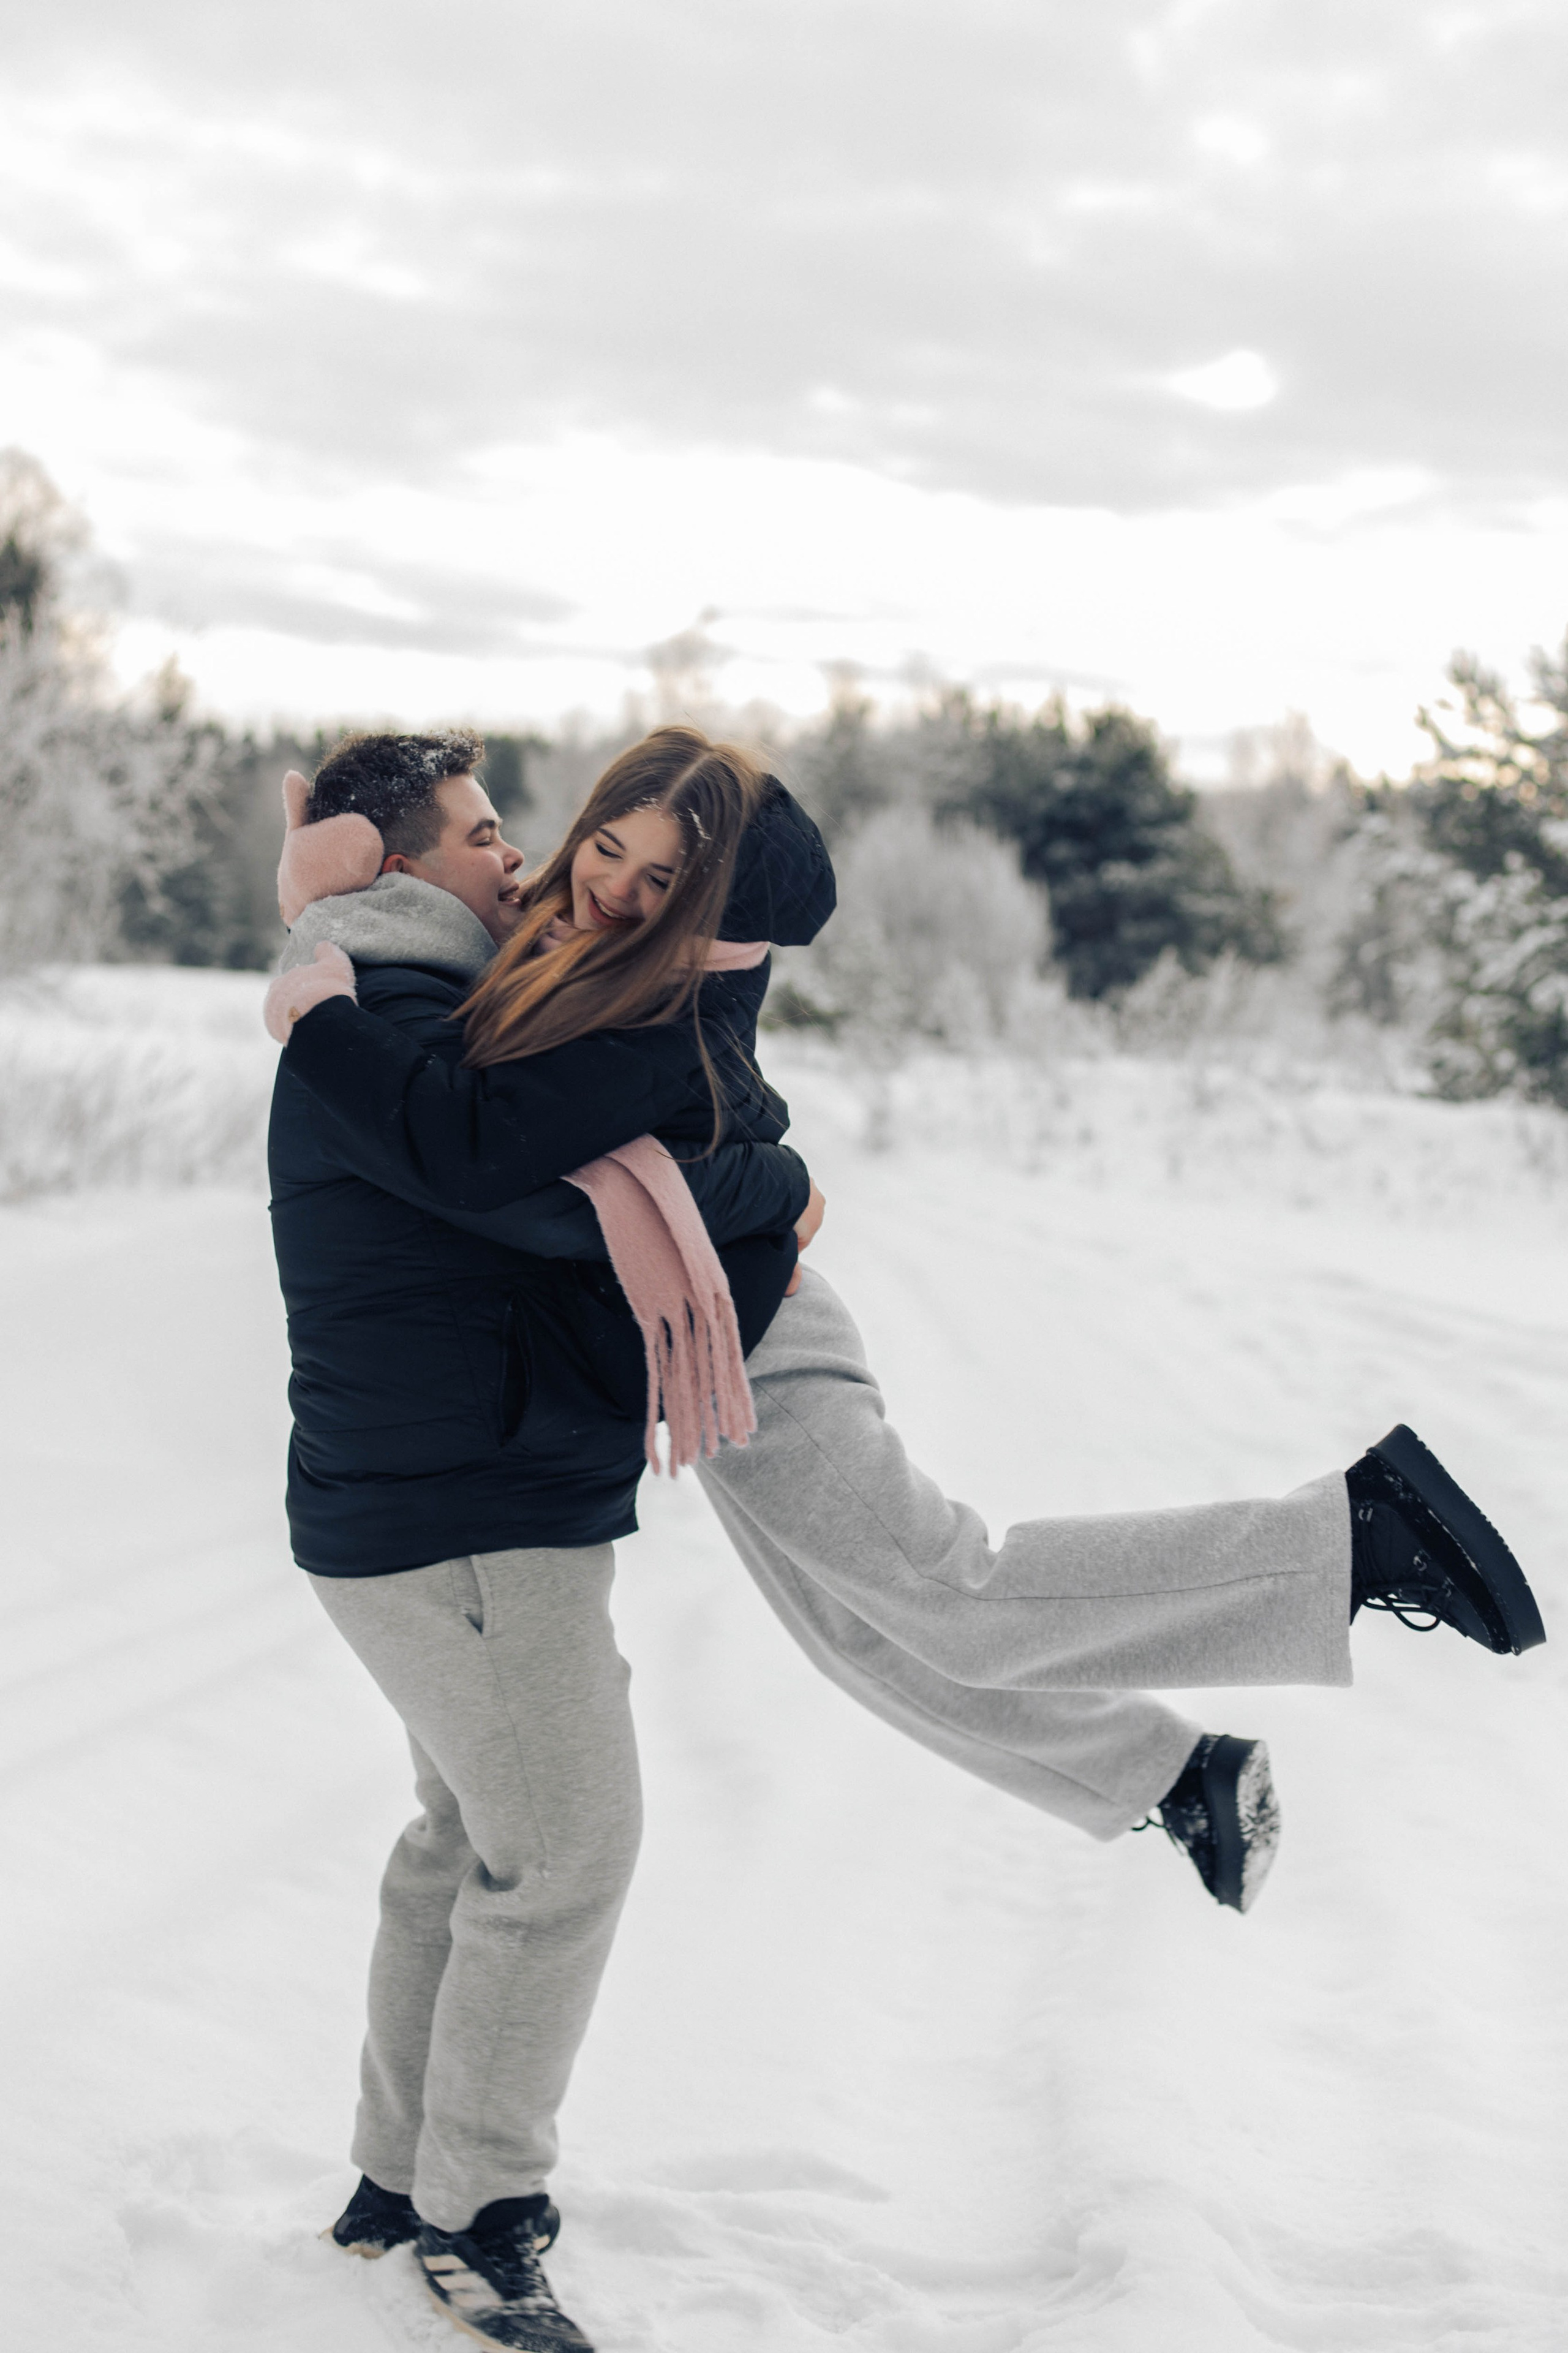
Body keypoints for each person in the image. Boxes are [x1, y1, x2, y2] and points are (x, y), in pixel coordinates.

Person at [265, 725, 1545, 2353]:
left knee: (949, 1590)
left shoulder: (642, 995)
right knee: (863, 1629)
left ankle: (1350, 1541)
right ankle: (1173, 1773)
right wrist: (322, 905)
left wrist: (746, 1155)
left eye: (657, 877)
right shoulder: (507, 950)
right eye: (591, 845)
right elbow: (457, 1068)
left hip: (739, 1331)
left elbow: (519, 1142)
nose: (582, 878)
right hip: (660, 1344)